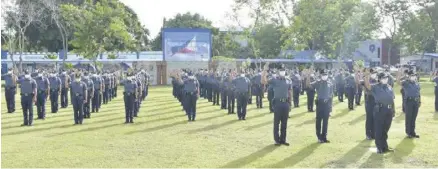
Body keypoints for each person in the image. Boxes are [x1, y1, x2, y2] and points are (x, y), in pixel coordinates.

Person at [364, 71, 395, 154]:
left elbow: (392, 99)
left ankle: (385, 146)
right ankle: (379, 147)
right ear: (380, 79)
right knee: (379, 129)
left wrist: (393, 111)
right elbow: (368, 86)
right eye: (383, 78)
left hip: (389, 110)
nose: (385, 79)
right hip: (380, 110)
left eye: (386, 78)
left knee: (385, 129)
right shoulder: (376, 87)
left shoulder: (389, 87)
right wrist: (366, 76)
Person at [262, 64, 291, 146]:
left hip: (286, 103)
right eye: (281, 70)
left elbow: (289, 91)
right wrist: (264, 71)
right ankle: (277, 140)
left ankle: (283, 139)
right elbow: (264, 81)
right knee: (277, 122)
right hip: (278, 103)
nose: (282, 71)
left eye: (283, 70)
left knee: (284, 123)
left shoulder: (288, 80)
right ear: (278, 72)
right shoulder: (274, 80)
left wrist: (290, 103)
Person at [308, 69, 333, 143]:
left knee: (326, 121)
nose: (325, 76)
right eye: (323, 75)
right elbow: (309, 85)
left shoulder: (330, 83)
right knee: (318, 121)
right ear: (321, 76)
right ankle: (319, 137)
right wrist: (308, 76)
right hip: (320, 104)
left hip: (327, 104)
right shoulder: (317, 83)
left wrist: (330, 106)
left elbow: (331, 95)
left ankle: (324, 137)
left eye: (326, 75)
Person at [397, 69, 421, 138]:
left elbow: (418, 93)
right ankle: (408, 132)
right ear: (409, 76)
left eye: (414, 75)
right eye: (412, 76)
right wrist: (399, 74)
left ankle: (413, 132)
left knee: (413, 118)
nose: (413, 77)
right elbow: (398, 82)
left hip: (416, 102)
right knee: (409, 118)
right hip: (409, 102)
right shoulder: (406, 83)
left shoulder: (417, 83)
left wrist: (419, 101)